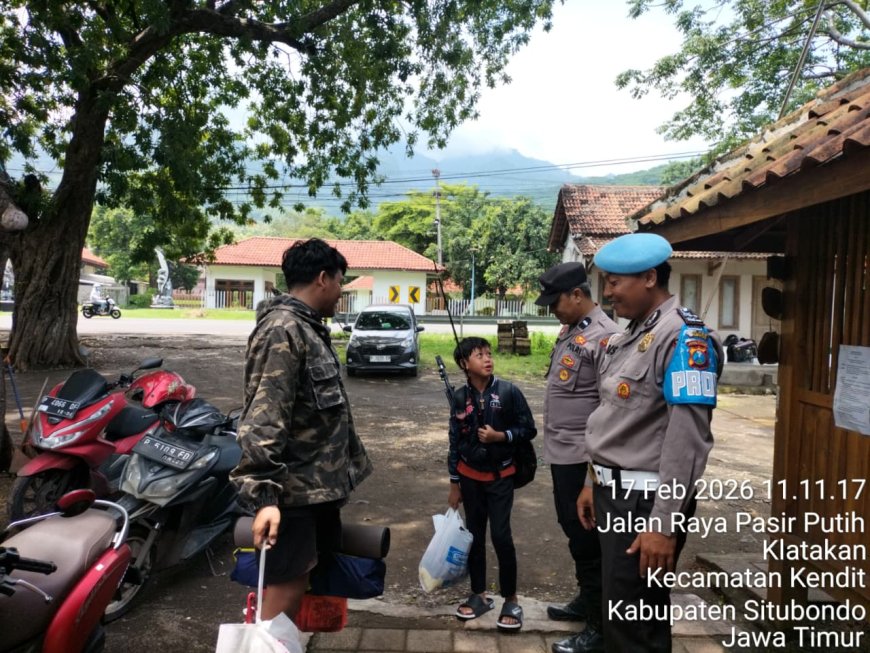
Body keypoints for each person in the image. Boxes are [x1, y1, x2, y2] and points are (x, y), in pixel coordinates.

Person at [580, 233, 723, 652]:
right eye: (604, 282)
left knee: (636, 626)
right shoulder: (636, 332)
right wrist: (593, 480)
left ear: (648, 277)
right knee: (620, 615)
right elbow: (613, 418)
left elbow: (688, 438)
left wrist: (662, 523)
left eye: (613, 282)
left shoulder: (684, 338)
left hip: (647, 504)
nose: (606, 293)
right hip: (616, 495)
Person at [230, 238, 372, 622]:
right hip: (291, 495)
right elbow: (264, 414)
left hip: (315, 490)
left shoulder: (308, 328)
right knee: (283, 591)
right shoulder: (283, 329)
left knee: (304, 583)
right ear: (323, 278)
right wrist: (264, 497)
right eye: (341, 282)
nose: (342, 292)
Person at [534, 263, 618, 653]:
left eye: (556, 302)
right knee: (574, 531)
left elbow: (610, 407)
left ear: (577, 295)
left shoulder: (606, 338)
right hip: (563, 455)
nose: (553, 310)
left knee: (590, 539)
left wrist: (592, 470)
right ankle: (588, 601)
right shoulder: (573, 331)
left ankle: (600, 628)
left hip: (585, 459)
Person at [447, 336, 537, 632]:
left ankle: (511, 599)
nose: (487, 359)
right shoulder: (459, 397)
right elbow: (455, 441)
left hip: (501, 478)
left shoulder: (509, 392)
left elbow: (529, 429)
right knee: (474, 536)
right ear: (464, 364)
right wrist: (454, 483)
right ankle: (479, 594)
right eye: (479, 355)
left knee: (501, 536)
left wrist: (501, 437)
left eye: (489, 353)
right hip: (470, 480)